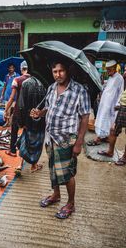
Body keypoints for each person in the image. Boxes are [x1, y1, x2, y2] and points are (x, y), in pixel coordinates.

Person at [30, 61, 91, 219]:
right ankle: (56, 194)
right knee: (53, 169)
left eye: (61, 71)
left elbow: (85, 118)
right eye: (55, 71)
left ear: (67, 71)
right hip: (50, 136)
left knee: (67, 172)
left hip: (66, 139)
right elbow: (49, 108)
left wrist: (78, 143)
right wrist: (39, 113)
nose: (58, 74)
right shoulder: (51, 88)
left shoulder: (79, 90)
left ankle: (71, 203)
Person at [87, 60, 124, 148]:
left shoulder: (119, 78)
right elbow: (106, 89)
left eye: (109, 69)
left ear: (114, 68)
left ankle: (98, 139)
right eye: (107, 69)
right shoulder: (110, 78)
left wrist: (118, 104)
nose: (108, 71)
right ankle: (104, 137)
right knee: (101, 119)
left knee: (106, 121)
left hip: (111, 105)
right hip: (104, 103)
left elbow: (121, 92)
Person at [16, 75, 46, 175]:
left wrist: (21, 122)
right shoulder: (47, 84)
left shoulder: (25, 83)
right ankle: (33, 165)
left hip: (27, 120)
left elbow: (21, 105)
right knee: (37, 144)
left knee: (25, 140)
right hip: (41, 120)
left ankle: (20, 165)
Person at [4, 61, 30, 157]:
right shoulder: (34, 80)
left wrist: (6, 109)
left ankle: (13, 150)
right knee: (27, 131)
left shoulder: (17, 80)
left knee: (14, 130)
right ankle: (25, 152)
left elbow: (12, 97)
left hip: (18, 110)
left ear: (21, 68)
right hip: (29, 111)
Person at [99, 89, 126, 163]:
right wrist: (120, 106)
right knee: (113, 130)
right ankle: (110, 152)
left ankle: (125, 157)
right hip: (123, 107)